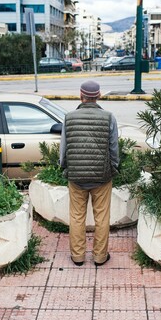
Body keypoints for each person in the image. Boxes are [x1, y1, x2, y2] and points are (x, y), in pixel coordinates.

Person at [59, 80, 119, 267]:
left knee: (77, 216)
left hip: (76, 177)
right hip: (102, 178)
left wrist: (64, 168)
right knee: (101, 217)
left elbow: (63, 150)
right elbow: (114, 149)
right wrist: (114, 168)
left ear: (80, 95)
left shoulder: (69, 118)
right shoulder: (109, 117)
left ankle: (78, 257)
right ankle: (100, 257)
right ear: (99, 96)